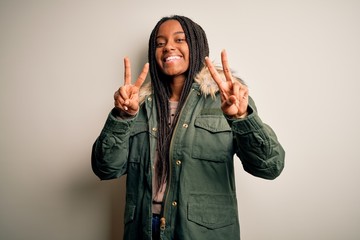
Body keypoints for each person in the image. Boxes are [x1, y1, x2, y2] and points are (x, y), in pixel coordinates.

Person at [92, 15, 285, 240]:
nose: (168, 47)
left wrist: (242, 117)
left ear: (196, 45)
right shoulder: (137, 105)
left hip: (200, 233)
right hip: (144, 230)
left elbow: (270, 167)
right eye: (160, 43)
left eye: (179, 39)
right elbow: (105, 169)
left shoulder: (226, 100)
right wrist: (123, 117)